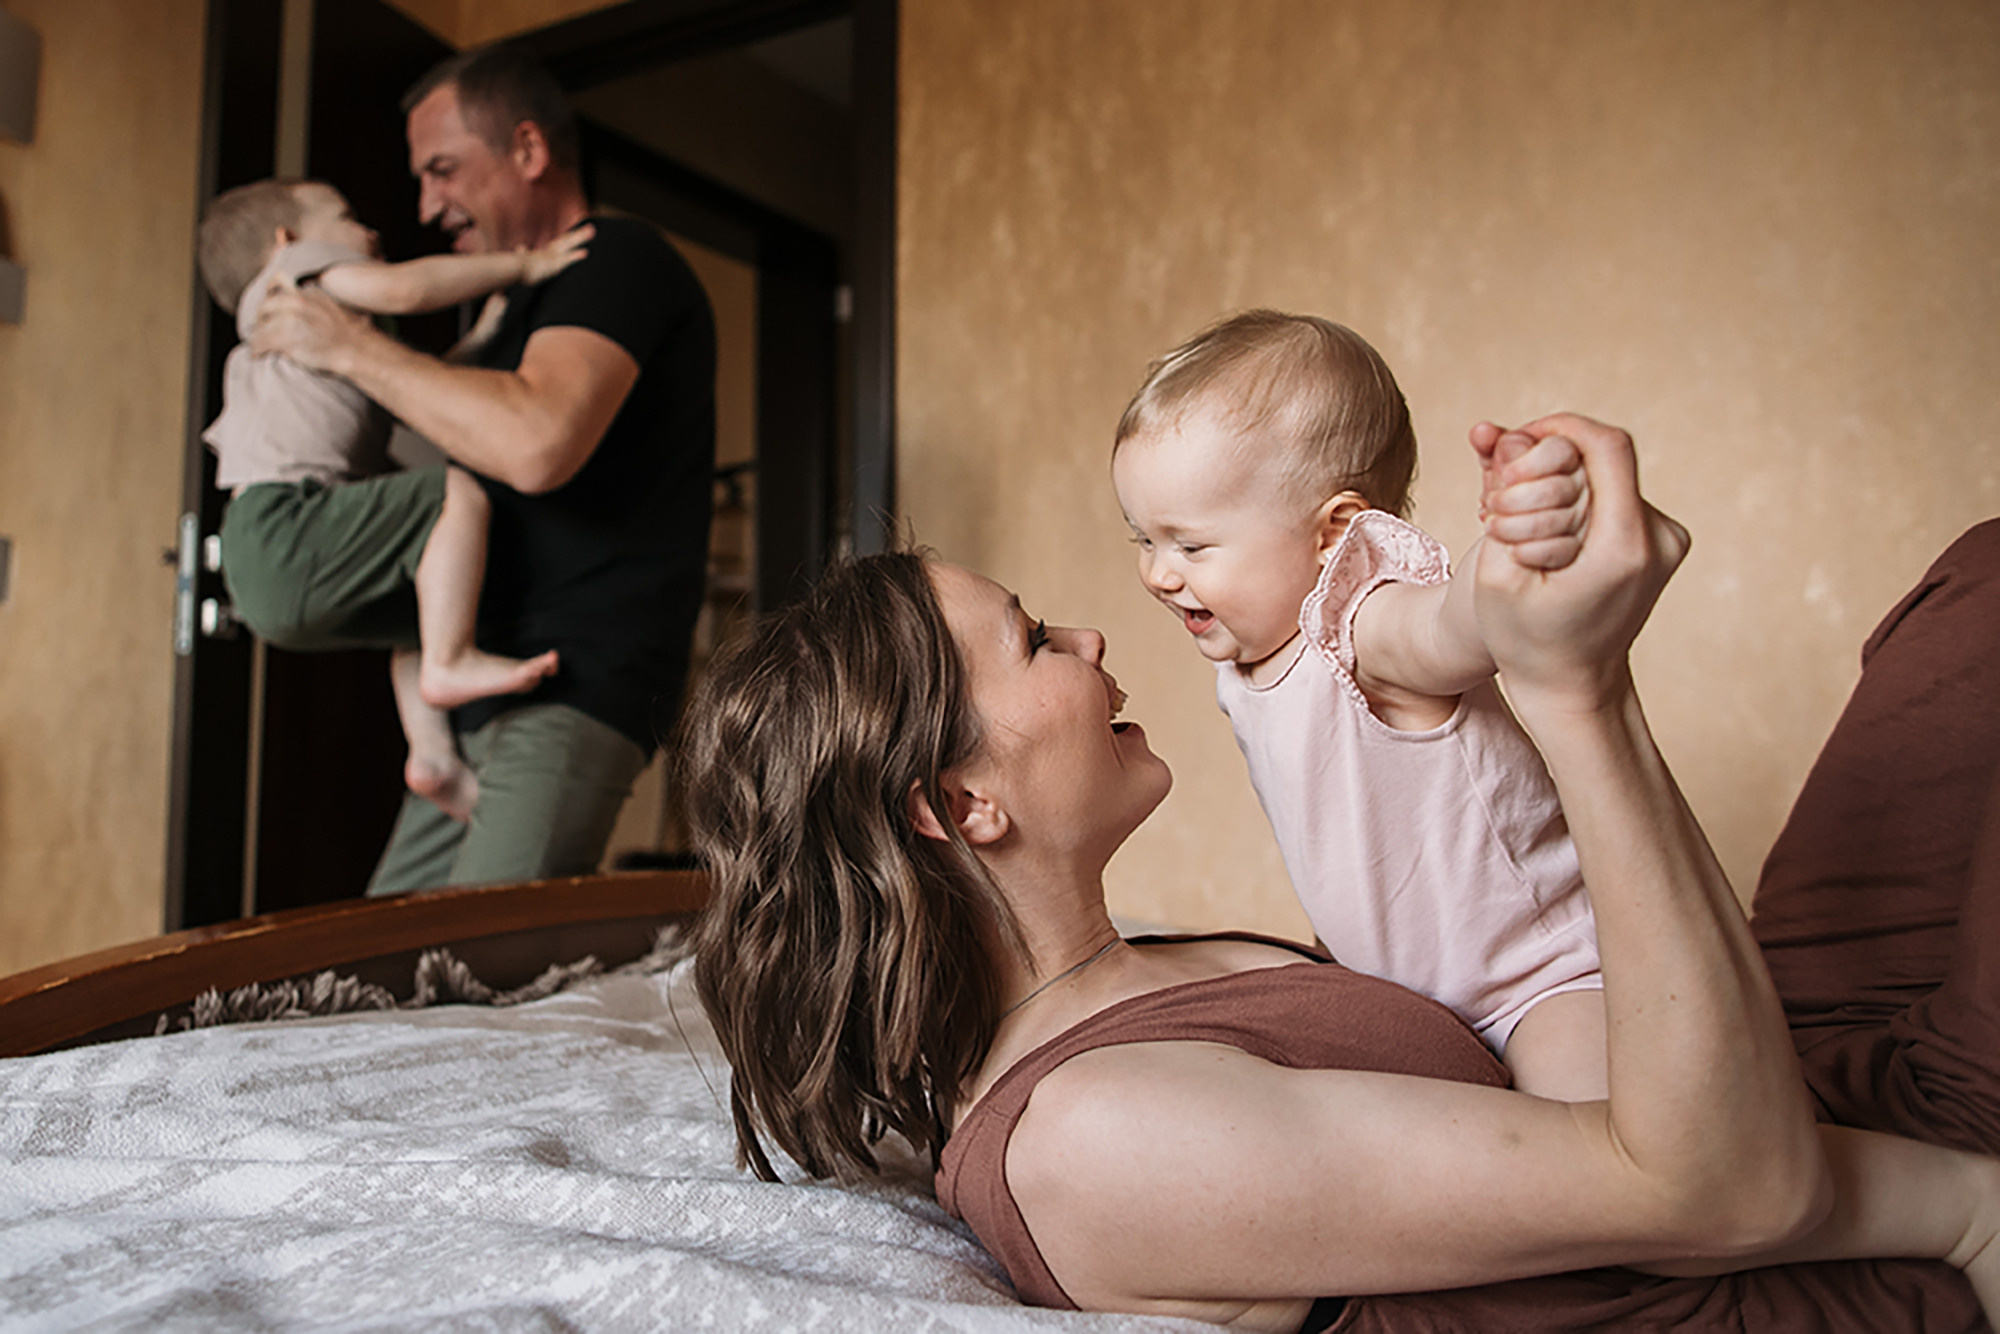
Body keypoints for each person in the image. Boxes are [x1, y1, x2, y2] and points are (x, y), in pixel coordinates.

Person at [684, 417, 2000, 1331]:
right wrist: (1577, 692)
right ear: (960, 804)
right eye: (1031, 640)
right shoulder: (1097, 1140)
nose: (1086, 635)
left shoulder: (1128, 973)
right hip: (1818, 1231)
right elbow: (1730, 1188)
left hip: (1773, 1050)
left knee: (1982, 581)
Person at [250, 43, 717, 894]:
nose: (427, 206)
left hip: (572, 681)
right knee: (387, 951)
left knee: (474, 959)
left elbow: (536, 444)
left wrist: (348, 347)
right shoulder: (506, 308)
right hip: (481, 689)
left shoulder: (616, 260)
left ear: (528, 150)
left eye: (443, 170)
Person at [1111, 309, 1610, 1100]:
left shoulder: (1366, 625)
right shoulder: (1249, 662)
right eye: (1144, 539)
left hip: (1544, 984)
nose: (1159, 575)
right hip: (1421, 1003)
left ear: (1333, 533)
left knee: (1589, 1146)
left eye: (1191, 545)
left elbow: (1462, 624)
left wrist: (1516, 551)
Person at [198, 177, 582, 821]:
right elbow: (408, 288)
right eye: (346, 214)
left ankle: (433, 759)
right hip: (289, 522)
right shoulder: (296, 278)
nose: (369, 230)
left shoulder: (299, 338)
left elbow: (417, 394)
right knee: (453, 491)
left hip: (256, 565)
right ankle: (451, 659)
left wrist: (487, 334)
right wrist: (525, 265)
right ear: (286, 240)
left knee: (417, 608)